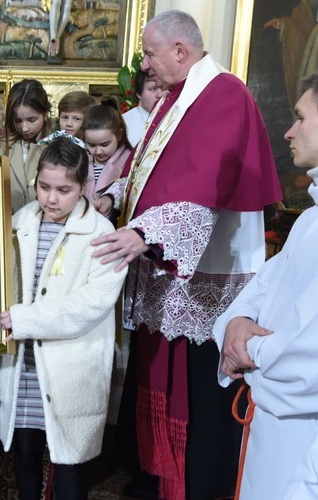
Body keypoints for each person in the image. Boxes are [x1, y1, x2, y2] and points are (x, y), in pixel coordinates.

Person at [90, 10, 281, 500]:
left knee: (203, 406)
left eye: (150, 54)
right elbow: (149, 166)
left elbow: (207, 179)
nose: (146, 66)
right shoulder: (176, 98)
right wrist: (114, 199)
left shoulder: (223, 94)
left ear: (180, 50)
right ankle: (159, 481)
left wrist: (147, 234)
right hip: (168, 271)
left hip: (205, 278)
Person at [0, 137, 127, 500]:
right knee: (25, 451)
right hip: (24, 363)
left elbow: (89, 305)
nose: (51, 199)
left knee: (69, 462)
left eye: (64, 190)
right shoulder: (19, 221)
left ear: (84, 187)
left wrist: (22, 320)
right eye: (43, 187)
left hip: (71, 364)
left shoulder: (102, 234)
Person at [213, 73, 318, 500]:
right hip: (268, 420)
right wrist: (237, 320)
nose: (289, 132)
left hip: (301, 439)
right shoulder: (310, 218)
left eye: (301, 118)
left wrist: (248, 349)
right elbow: (262, 287)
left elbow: (308, 353)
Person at [0, 79, 52, 213]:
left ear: (45, 114)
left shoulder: (56, 146)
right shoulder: (1, 147)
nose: (24, 128)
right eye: (18, 121)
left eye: (32, 120)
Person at [82, 97, 132, 202]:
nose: (98, 151)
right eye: (91, 144)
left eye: (104, 144)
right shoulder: (81, 158)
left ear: (119, 135)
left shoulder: (129, 160)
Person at [121, 70, 163, 147]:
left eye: (163, 88)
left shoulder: (176, 118)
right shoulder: (123, 123)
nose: (160, 94)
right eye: (153, 89)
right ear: (139, 93)